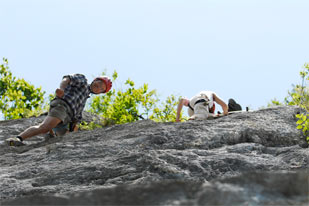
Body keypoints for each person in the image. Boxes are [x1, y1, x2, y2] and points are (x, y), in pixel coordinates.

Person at [5, 74, 112, 146]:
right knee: (45, 127)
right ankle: (18, 138)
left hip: (68, 117)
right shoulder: (83, 81)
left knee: (66, 139)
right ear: (95, 80)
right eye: (99, 83)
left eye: (102, 89)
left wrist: (74, 126)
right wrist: (62, 89)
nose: (99, 87)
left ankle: (52, 134)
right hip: (63, 105)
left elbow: (77, 116)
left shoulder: (84, 98)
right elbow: (67, 78)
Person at [176, 91, 241, 122]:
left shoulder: (191, 109)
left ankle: (216, 115)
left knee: (207, 116)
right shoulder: (209, 94)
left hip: (199, 110)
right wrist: (226, 113)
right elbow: (224, 105)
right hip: (201, 104)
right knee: (201, 116)